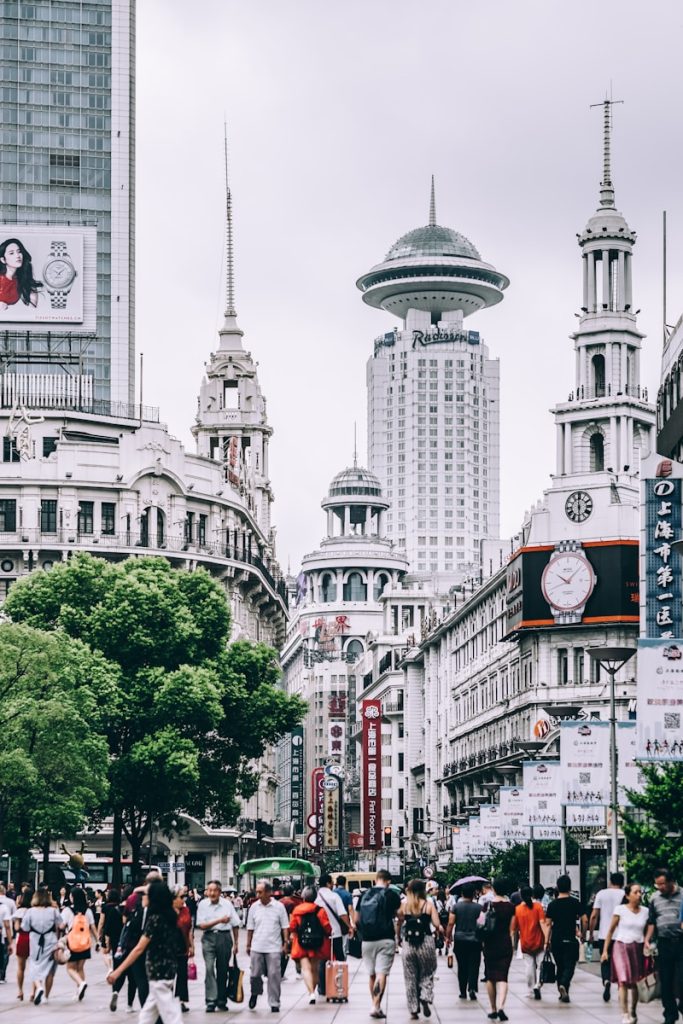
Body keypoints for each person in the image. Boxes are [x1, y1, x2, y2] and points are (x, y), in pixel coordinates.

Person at [107, 880, 184, 1024]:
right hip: (165, 971)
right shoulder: (169, 916)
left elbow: (139, 948)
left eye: (146, 895)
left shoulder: (155, 919)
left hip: (158, 973)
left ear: (154, 898)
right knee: (147, 1016)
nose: (142, 897)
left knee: (171, 1016)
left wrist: (117, 972)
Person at [355, 869, 402, 1019]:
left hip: (367, 939)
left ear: (376, 879)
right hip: (386, 938)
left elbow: (356, 919)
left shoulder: (364, 894)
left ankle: (374, 1004)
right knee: (382, 973)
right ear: (388, 881)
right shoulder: (391, 895)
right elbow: (400, 915)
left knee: (371, 974)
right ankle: (376, 1005)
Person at [601, 882, 648, 1024]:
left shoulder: (645, 911)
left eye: (640, 892)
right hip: (621, 946)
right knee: (623, 980)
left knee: (635, 982)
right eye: (635, 892)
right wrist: (605, 951)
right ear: (627, 895)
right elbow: (610, 931)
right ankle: (625, 1013)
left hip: (638, 947)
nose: (639, 895)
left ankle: (633, 1009)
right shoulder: (620, 910)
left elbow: (648, 931)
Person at [396, 878, 443, 1019]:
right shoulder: (428, 905)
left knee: (410, 976)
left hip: (409, 943)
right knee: (427, 972)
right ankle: (425, 996)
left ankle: (413, 1009)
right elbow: (436, 924)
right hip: (426, 942)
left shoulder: (404, 906)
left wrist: (398, 938)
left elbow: (398, 924)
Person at [644, 868, 683, 1024]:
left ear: (671, 882)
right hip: (664, 943)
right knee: (665, 981)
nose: (660, 887)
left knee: (681, 979)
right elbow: (652, 921)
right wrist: (647, 939)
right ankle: (670, 1013)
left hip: (681, 943)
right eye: (657, 884)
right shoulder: (655, 898)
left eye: (663, 884)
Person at [197, 878, 241, 1013]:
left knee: (222, 969)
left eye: (214, 890)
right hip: (208, 938)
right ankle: (211, 1000)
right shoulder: (203, 905)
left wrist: (236, 943)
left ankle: (221, 999)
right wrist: (219, 920)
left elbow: (235, 924)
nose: (212, 893)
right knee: (209, 968)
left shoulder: (227, 904)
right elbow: (202, 925)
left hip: (224, 937)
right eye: (209, 890)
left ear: (220, 892)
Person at [246, 880, 290, 1013]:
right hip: (257, 946)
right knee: (254, 974)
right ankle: (255, 993)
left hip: (274, 947)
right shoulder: (254, 907)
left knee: (274, 975)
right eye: (257, 892)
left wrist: (285, 943)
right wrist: (248, 944)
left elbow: (285, 927)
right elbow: (250, 927)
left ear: (268, 892)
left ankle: (274, 1002)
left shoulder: (279, 907)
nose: (258, 894)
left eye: (260, 892)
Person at [544, 874, 587, 1004]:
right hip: (570, 939)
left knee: (560, 966)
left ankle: (562, 991)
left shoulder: (552, 905)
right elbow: (584, 919)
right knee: (570, 966)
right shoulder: (575, 903)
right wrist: (583, 933)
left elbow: (548, 924)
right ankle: (564, 984)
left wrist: (546, 941)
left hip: (556, 940)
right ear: (569, 887)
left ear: (557, 887)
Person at [288, 886, 332, 1003]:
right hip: (317, 943)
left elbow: (292, 927)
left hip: (301, 943)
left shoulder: (297, 910)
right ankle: (313, 990)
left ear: (303, 896)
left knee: (305, 969)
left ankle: (311, 993)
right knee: (314, 969)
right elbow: (327, 927)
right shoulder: (320, 910)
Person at [20, 887, 62, 1006]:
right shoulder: (53, 911)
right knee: (50, 971)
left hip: (35, 942)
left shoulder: (30, 911)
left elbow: (25, 927)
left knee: (34, 965)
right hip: (51, 941)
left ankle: (38, 987)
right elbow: (62, 925)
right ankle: (46, 997)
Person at [481, 877, 516, 1022]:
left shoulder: (487, 905)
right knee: (503, 976)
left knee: (491, 976)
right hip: (504, 944)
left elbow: (481, 924)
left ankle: (493, 1009)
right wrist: (512, 945)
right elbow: (512, 930)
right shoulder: (511, 907)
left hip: (489, 944)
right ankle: (501, 1006)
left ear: (493, 889)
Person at [589, 870, 626, 1003]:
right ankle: (620, 987)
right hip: (621, 935)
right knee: (620, 962)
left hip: (604, 935)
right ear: (622, 883)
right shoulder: (625, 895)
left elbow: (594, 915)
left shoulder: (601, 894)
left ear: (610, 882)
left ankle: (606, 980)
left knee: (605, 961)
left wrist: (591, 932)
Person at [445, 883, 483, 1001]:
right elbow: (481, 924)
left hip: (460, 939)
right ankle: (472, 988)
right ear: (474, 894)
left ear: (462, 894)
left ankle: (462, 991)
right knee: (474, 965)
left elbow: (451, 923)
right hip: (475, 940)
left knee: (462, 966)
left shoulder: (456, 907)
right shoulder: (479, 908)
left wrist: (448, 937)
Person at [315, 873, 351, 996]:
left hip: (319, 934)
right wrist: (349, 927)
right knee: (339, 958)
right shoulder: (334, 896)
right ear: (328, 883)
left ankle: (322, 988)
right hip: (335, 932)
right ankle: (339, 984)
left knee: (322, 959)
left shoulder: (315, 897)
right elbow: (342, 914)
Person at [61, 886, 99, 1001]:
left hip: (72, 942)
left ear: (73, 897)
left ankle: (81, 984)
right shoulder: (87, 911)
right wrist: (98, 941)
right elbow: (92, 926)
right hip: (85, 942)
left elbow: (61, 925)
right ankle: (79, 991)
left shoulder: (67, 911)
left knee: (70, 968)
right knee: (80, 968)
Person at [512, 885, 548, 1000]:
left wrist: (511, 944)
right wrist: (547, 939)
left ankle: (531, 988)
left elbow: (513, 929)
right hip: (539, 941)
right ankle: (538, 984)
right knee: (540, 965)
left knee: (529, 966)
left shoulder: (517, 909)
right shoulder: (538, 907)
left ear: (521, 896)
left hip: (526, 942)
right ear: (532, 895)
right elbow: (543, 923)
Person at [0, 237, 42, 308]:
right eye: (11, 253)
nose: (17, 256)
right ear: (3, 260)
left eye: (19, 251)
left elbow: (32, 309)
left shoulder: (22, 279)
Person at [173, 887, 194, 1014]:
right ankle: (168, 1001)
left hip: (183, 946)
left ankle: (181, 1001)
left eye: (184, 897)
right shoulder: (166, 911)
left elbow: (189, 929)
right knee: (169, 976)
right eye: (180, 897)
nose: (183, 899)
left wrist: (191, 946)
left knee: (182, 975)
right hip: (169, 948)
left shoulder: (186, 910)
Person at [13, 888, 32, 1001]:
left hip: (22, 938)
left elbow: (16, 927)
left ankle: (20, 991)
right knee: (35, 966)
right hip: (34, 938)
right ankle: (33, 992)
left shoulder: (19, 911)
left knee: (21, 967)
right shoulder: (35, 910)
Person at [333, 875, 354, 954]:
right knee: (344, 944)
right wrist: (352, 923)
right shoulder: (348, 894)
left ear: (337, 883)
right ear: (345, 883)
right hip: (344, 922)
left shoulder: (332, 893)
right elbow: (350, 909)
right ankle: (342, 961)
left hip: (333, 921)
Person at [0, 888, 13, 985]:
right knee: (3, 954)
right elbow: (7, 925)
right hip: (3, 933)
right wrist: (11, 941)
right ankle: (2, 974)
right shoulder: (6, 905)